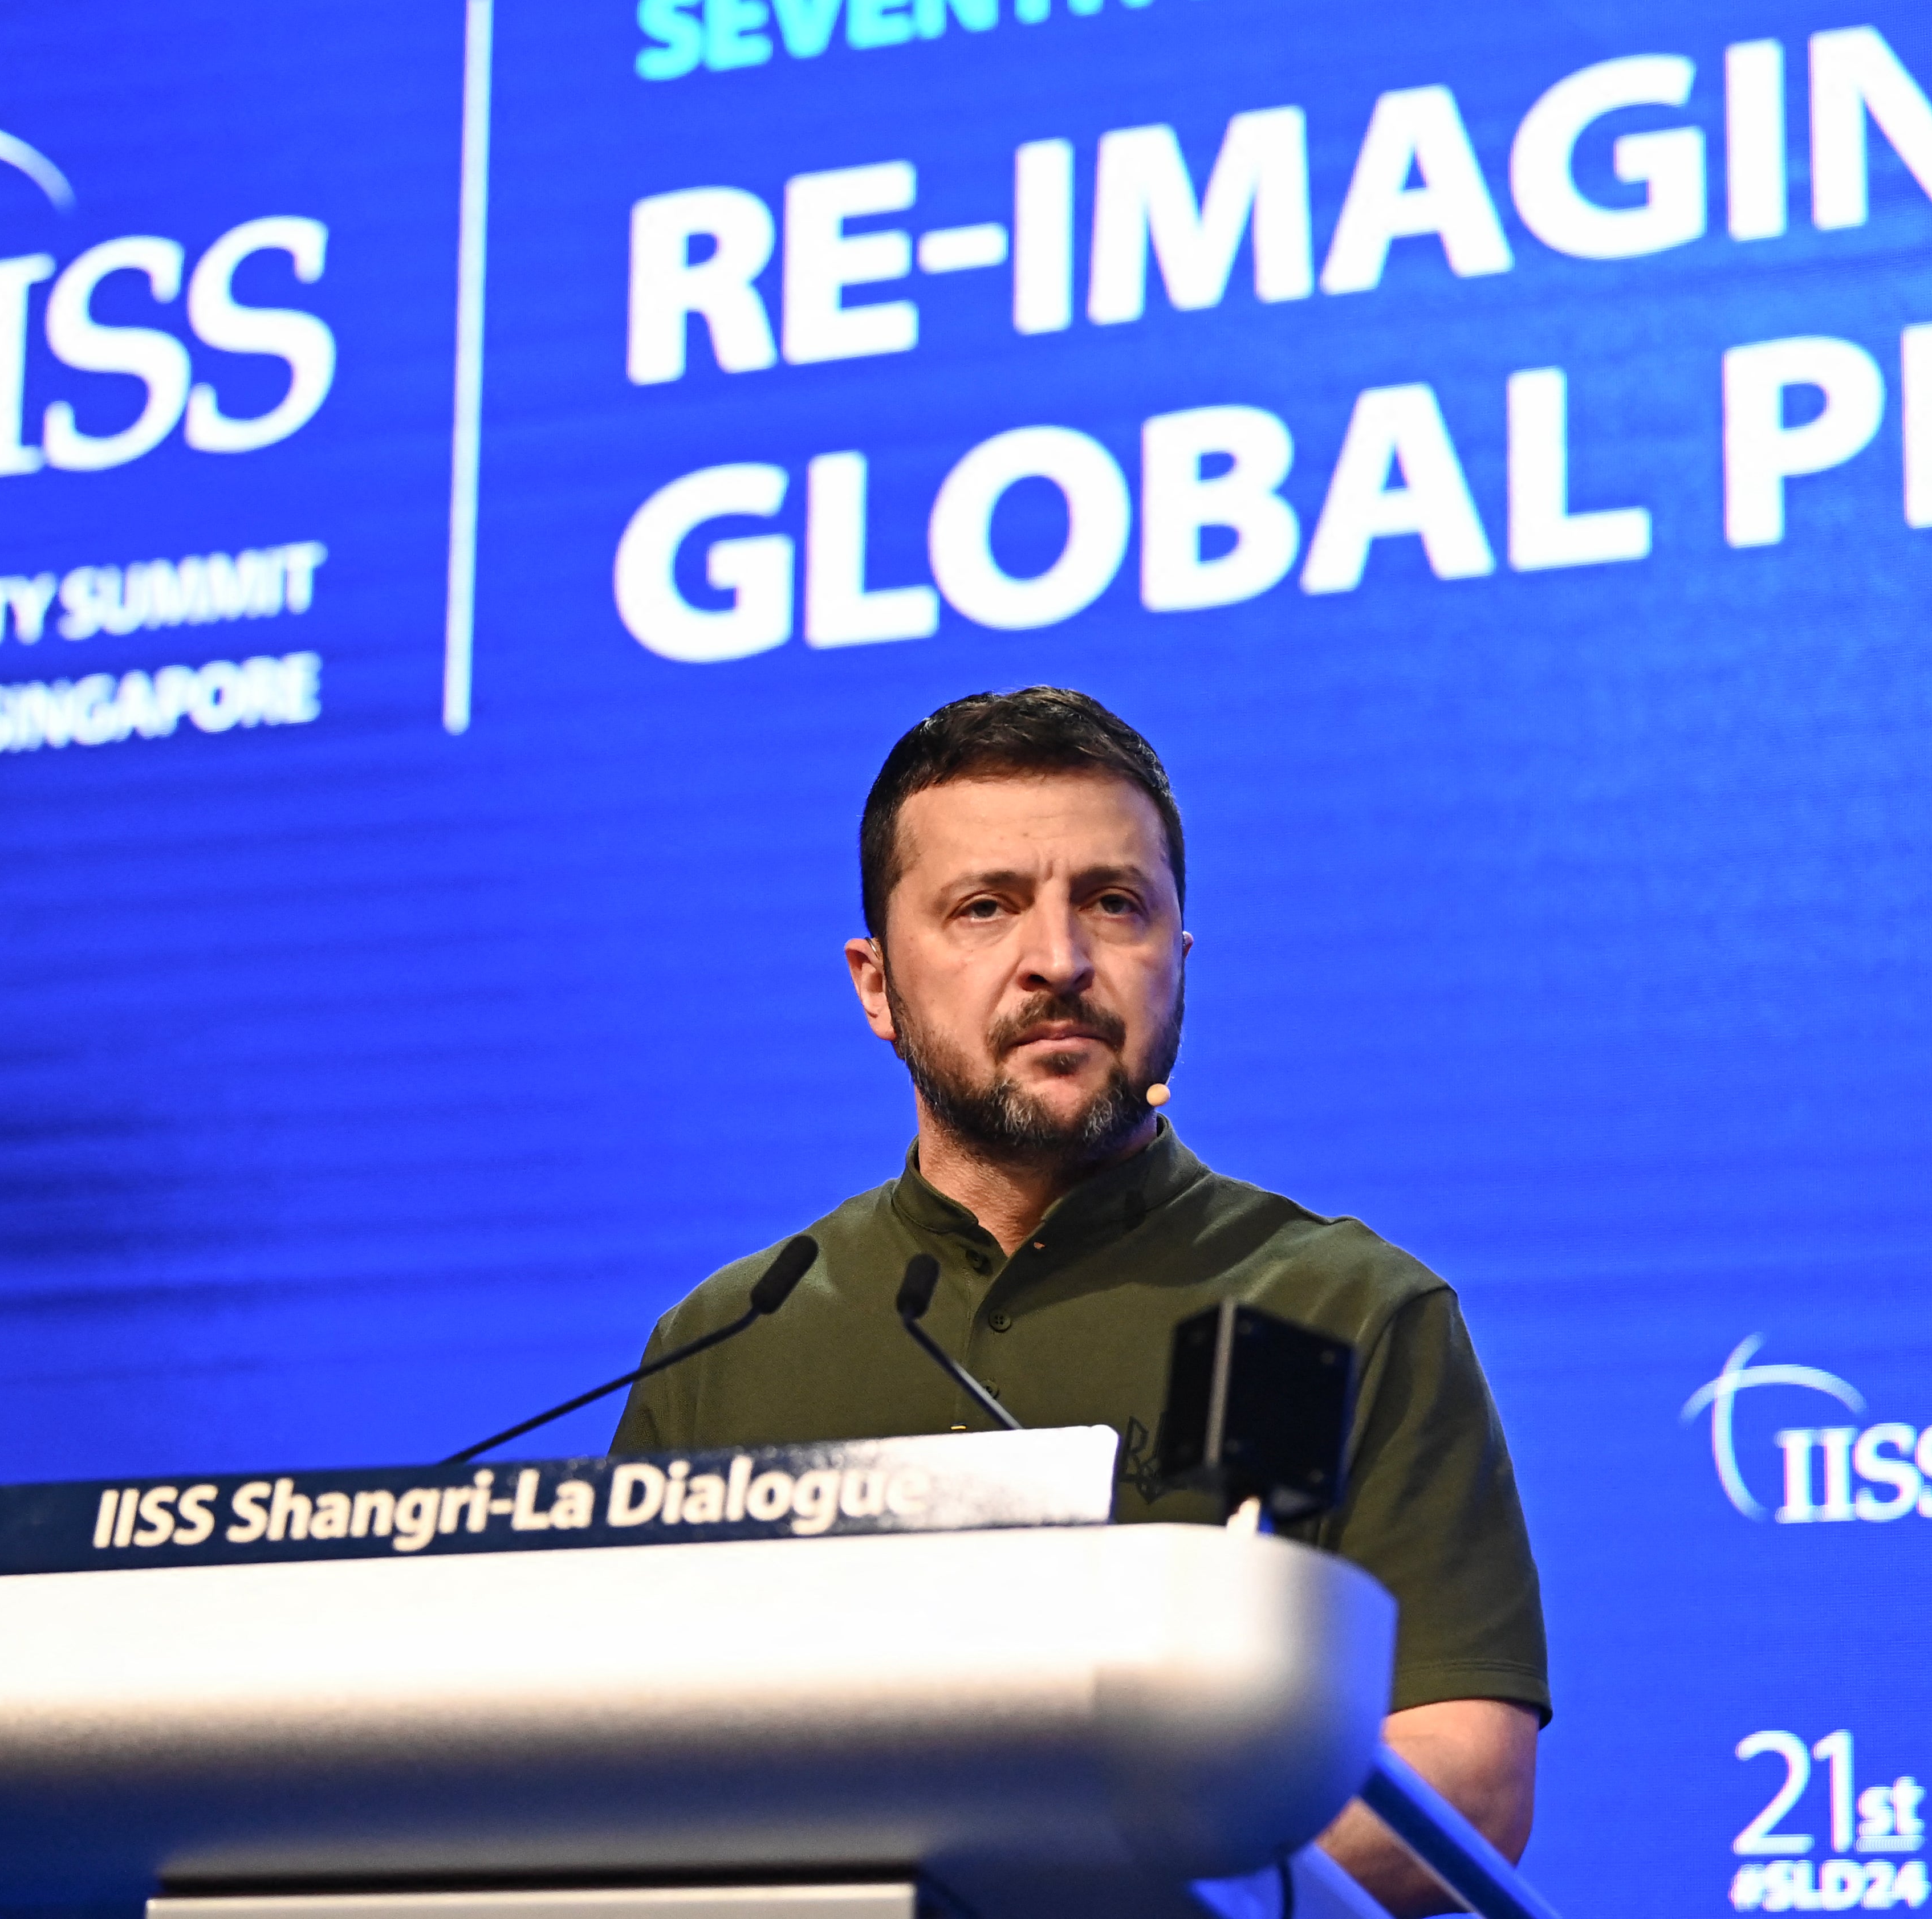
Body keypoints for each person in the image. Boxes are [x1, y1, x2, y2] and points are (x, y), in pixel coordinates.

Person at [612, 687, 1547, 1917]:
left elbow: (1460, 1786)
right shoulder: (730, 1337)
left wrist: (1051, 1876)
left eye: (1113, 902)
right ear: (875, 984)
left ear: (1178, 959)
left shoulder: (1335, 1307)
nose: (1056, 959)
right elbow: (624, 1767)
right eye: (984, 906)